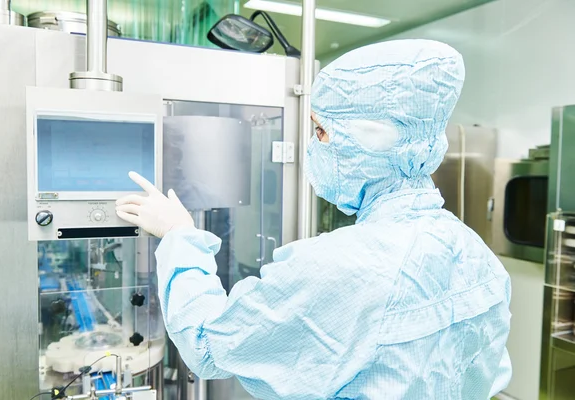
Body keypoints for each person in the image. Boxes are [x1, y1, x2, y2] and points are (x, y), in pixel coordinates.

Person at [115, 39, 512, 399]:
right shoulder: (476, 256)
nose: (312, 146)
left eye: (321, 131)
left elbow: (207, 343)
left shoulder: (339, 267)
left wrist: (178, 233)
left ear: (367, 144)